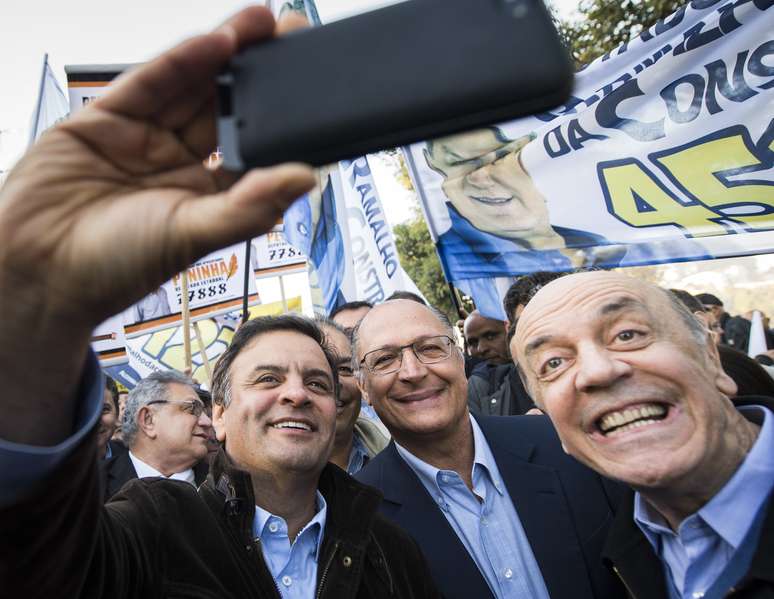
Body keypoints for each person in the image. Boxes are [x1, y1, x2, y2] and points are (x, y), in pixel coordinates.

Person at [0, 8, 438, 598]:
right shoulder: (154, 525)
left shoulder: (395, 553)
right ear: (221, 416)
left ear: (338, 412)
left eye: (317, 381)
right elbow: (34, 568)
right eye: (267, 377)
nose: (296, 393)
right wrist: (29, 313)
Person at [511, 271, 774, 599]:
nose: (598, 371)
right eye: (553, 363)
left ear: (711, 355)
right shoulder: (620, 555)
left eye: (627, 334)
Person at [353, 299, 626, 599]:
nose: (413, 371)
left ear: (460, 359)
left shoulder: (562, 443)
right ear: (364, 387)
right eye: (385, 360)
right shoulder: (356, 518)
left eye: (430, 348)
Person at [104, 371, 212, 500]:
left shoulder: (224, 482)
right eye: (192, 408)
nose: (207, 422)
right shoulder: (92, 486)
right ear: (148, 420)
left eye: (205, 412)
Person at [316, 317, 389, 474]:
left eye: (344, 369)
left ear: (363, 384)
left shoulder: (402, 456)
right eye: (316, 370)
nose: (335, 381)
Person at [99, 376, 123, 460]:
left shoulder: (133, 460)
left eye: (105, 409)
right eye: (85, 410)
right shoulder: (57, 464)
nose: (96, 420)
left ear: (117, 414)